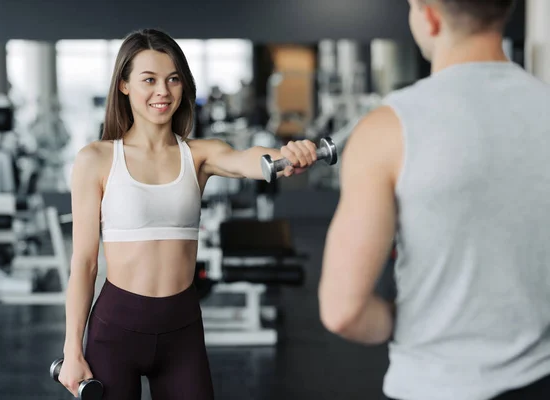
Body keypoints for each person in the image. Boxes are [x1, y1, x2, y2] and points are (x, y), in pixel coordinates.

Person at [58, 28, 318, 400]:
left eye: (173, 79)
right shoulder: (96, 159)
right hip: (116, 329)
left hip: (182, 330)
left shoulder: (199, 154)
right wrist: (72, 350)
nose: (163, 91)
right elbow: (83, 264)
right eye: (149, 80)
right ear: (124, 86)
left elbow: (250, 159)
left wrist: (289, 155)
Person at [318, 1, 550, 400]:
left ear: (429, 16)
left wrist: (406, 319)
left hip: (435, 385)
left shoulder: (386, 129)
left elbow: (344, 312)